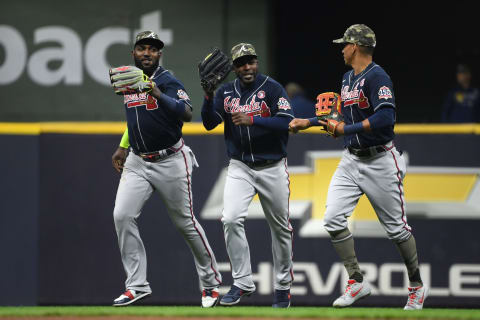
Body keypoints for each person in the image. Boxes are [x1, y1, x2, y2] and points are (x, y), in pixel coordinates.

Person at [289, 24, 428, 310]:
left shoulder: (378, 76)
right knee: (332, 220)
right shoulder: (347, 78)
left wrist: (346, 128)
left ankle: (416, 285)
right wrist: (308, 122)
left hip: (380, 160)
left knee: (397, 230)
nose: (342, 49)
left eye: (344, 45)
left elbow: (385, 117)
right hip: (351, 159)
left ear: (355, 47)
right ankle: (356, 280)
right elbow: (338, 116)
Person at [110, 30, 222, 308]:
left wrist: (157, 92)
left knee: (186, 223)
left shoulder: (167, 80)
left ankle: (211, 285)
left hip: (170, 159)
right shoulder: (130, 79)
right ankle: (136, 286)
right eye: (141, 48)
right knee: (122, 215)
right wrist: (123, 145)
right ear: (133, 53)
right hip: (137, 160)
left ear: (160, 54)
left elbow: (186, 113)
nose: (146, 53)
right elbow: (138, 118)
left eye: (152, 49)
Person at [201, 43, 295, 308]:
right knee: (230, 219)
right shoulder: (225, 91)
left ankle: (282, 289)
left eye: (251, 61)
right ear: (234, 67)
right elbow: (209, 123)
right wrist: (208, 96)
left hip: (272, 166)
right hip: (240, 166)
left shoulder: (272, 87)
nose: (247, 67)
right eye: (242, 63)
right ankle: (242, 282)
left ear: (257, 62)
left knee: (281, 229)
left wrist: (253, 120)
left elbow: (286, 120)